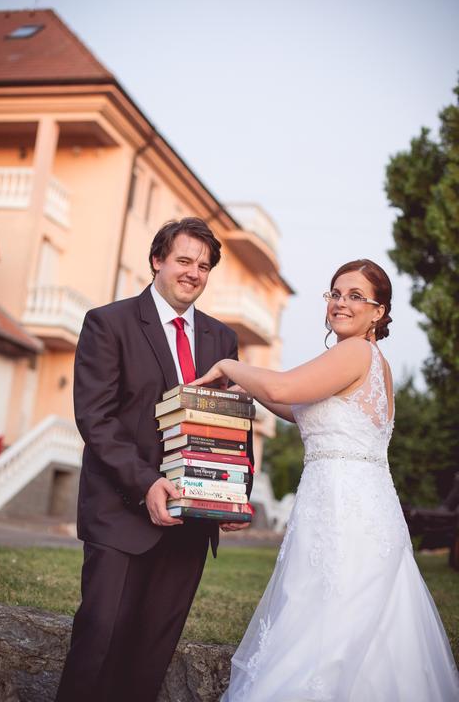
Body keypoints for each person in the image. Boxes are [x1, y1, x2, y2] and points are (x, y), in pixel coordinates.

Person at [194, 259, 459, 702]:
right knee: (351, 628)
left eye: (355, 296)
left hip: (344, 512)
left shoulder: (354, 352)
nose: (340, 302)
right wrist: (249, 390)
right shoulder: (367, 359)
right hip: (345, 505)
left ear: (378, 311)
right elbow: (301, 409)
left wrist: (229, 365)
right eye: (335, 293)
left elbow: (282, 388)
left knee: (329, 628)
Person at [55, 217, 252, 702]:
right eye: (184, 260)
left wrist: (234, 491)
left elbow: (228, 424)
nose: (193, 273)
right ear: (157, 260)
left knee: (149, 661)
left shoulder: (222, 339)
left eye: (203, 266)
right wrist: (146, 484)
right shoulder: (109, 323)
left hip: (192, 523)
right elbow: (97, 419)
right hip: (121, 514)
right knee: (98, 646)